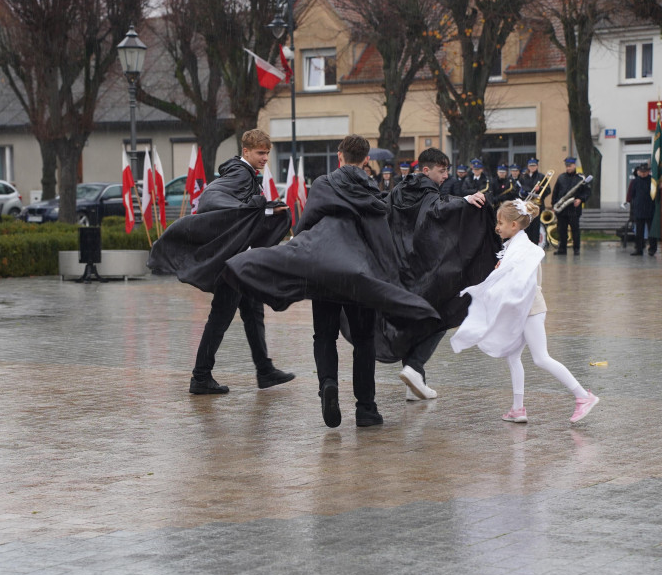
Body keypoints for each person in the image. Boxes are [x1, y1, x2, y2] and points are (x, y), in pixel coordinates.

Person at [222, 135, 439, 428]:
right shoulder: (372, 192)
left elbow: (306, 225)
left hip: (323, 270)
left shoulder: (323, 184)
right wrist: (387, 276)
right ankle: (366, 409)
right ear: (366, 160)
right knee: (364, 341)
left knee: (323, 336)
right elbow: (381, 237)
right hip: (358, 277)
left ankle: (328, 385)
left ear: (339, 156)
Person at [147, 129, 295, 395]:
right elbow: (212, 199)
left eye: (267, 153)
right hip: (233, 264)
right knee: (220, 319)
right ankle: (201, 377)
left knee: (253, 312)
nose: (264, 158)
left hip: (238, 259)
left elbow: (242, 208)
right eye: (260, 153)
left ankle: (264, 370)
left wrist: (268, 208)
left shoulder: (245, 174)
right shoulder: (240, 173)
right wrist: (262, 206)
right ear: (246, 151)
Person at [450, 199, 600, 424]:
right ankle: (518, 409)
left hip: (531, 309)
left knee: (541, 358)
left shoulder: (524, 249)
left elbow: (522, 282)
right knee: (513, 357)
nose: (497, 227)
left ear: (514, 225)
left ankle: (583, 396)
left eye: (500, 223)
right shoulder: (515, 246)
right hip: (524, 309)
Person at [382, 147, 494, 402]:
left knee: (414, 321)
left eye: (446, 171)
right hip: (423, 270)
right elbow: (435, 210)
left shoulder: (399, 190)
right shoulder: (426, 191)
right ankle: (415, 367)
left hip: (400, 269)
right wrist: (465, 201)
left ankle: (415, 380)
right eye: (441, 171)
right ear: (425, 170)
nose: (445, 176)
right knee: (441, 315)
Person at [551, 157, 589, 256]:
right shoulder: (561, 177)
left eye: (570, 166)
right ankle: (562, 249)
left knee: (575, 230)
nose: (568, 168)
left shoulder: (580, 178)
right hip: (562, 209)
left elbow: (587, 192)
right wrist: (554, 205)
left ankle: (576, 249)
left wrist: (580, 199)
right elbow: (555, 192)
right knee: (562, 230)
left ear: (574, 165)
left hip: (574, 208)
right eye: (567, 166)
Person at [519, 158, 551, 245]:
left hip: (537, 206)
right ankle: (527, 246)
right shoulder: (523, 177)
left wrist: (539, 189)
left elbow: (548, 190)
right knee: (526, 227)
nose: (532, 167)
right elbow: (520, 189)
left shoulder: (541, 177)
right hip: (526, 205)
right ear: (528, 166)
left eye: (534, 165)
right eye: (530, 166)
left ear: (537, 166)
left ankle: (535, 246)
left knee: (535, 228)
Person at [626, 162, 655, 255]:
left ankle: (652, 248)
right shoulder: (634, 182)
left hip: (650, 209)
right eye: (641, 171)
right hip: (638, 209)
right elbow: (630, 196)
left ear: (648, 172)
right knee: (639, 231)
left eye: (645, 171)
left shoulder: (652, 181)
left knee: (652, 231)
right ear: (638, 172)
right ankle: (639, 248)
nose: (643, 173)